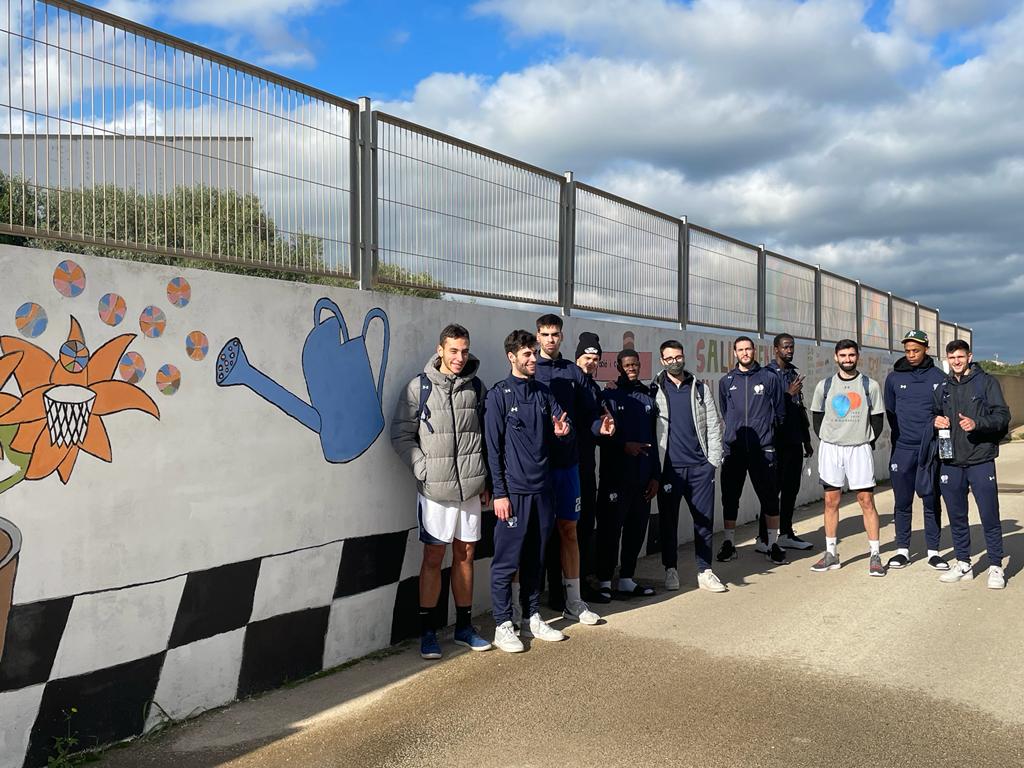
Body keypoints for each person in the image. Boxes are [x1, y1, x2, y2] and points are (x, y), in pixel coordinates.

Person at [390, 324, 492, 659]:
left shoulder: (477, 388)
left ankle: (464, 628)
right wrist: (424, 469)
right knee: (433, 558)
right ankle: (428, 633)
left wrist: (486, 480)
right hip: (434, 491)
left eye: (464, 351)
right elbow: (401, 435)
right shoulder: (418, 388)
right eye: (453, 351)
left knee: (465, 556)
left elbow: (488, 437)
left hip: (471, 490)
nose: (460, 357)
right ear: (440, 350)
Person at [485, 329, 572, 653]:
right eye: (527, 354)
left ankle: (532, 616)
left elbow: (564, 427)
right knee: (507, 563)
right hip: (513, 495)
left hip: (543, 492)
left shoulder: (543, 393)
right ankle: (503, 623)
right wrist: (500, 493)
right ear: (512, 357)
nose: (534, 358)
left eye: (534, 353)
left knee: (535, 559)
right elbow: (492, 450)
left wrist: (564, 432)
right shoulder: (498, 395)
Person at [534, 314, 614, 626]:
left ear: (562, 336)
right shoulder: (530, 368)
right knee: (539, 534)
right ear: (537, 336)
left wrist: (601, 427)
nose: (550, 339)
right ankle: (531, 605)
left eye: (555, 334)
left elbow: (590, 414)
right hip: (537, 467)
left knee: (570, 531)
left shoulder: (571, 371)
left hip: (570, 465)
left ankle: (569, 598)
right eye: (545, 334)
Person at [933, 340, 1011, 589]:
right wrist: (935, 421)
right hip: (951, 461)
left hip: (980, 459)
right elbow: (932, 414)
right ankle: (963, 563)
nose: (956, 361)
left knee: (989, 515)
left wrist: (977, 423)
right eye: (951, 357)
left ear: (969, 356)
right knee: (957, 517)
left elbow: (1002, 416)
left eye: (960, 356)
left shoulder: (986, 382)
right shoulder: (943, 386)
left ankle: (996, 567)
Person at [652, 341, 726, 593]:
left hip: (700, 469)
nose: (674, 361)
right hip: (669, 469)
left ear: (684, 357)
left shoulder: (700, 389)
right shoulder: (655, 390)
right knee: (668, 523)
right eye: (669, 358)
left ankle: (705, 571)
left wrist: (712, 462)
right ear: (662, 360)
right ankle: (670, 569)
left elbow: (714, 426)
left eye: (678, 356)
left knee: (704, 523)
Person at [808, 340, 886, 576]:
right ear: (836, 357)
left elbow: (878, 419)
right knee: (831, 501)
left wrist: (864, 441)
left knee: (866, 501)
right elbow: (817, 415)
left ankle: (875, 555)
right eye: (843, 355)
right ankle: (831, 553)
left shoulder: (869, 385)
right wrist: (828, 439)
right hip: (831, 449)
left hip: (859, 449)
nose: (848, 359)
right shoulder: (825, 385)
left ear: (857, 357)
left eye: (852, 355)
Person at [595, 349, 660, 599]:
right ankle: (603, 580)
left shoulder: (647, 397)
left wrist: (655, 476)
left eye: (635, 364)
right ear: (619, 368)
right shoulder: (608, 395)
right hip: (615, 478)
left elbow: (655, 439)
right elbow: (600, 436)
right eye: (626, 365)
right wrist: (624, 446)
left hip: (643, 479)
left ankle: (626, 579)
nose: (631, 368)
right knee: (610, 531)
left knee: (636, 531)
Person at [717, 336, 787, 565]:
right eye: (740, 349)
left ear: (754, 350)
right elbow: (726, 412)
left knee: (769, 498)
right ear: (734, 352)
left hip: (763, 450)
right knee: (730, 498)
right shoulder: (726, 381)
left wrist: (767, 437)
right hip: (735, 450)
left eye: (748, 349)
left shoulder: (769, 377)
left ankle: (773, 544)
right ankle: (729, 543)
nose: (745, 353)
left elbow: (780, 412)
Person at [883, 329, 949, 570]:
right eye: (907, 351)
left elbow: (945, 417)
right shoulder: (893, 378)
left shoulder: (940, 377)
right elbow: (891, 413)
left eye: (916, 351)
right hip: (902, 449)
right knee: (902, 501)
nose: (911, 355)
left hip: (929, 450)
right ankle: (902, 550)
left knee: (931, 499)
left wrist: (944, 451)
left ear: (926, 350)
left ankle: (933, 551)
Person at [757, 333, 814, 552]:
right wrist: (788, 395)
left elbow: (800, 409)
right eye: (785, 347)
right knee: (773, 491)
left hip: (794, 441)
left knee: (791, 489)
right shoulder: (766, 375)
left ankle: (786, 533)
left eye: (792, 347)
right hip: (775, 442)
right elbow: (766, 409)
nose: (789, 350)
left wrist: (806, 440)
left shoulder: (793, 373)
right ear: (775, 349)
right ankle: (763, 538)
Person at [574, 331, 610, 603]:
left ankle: (583, 584)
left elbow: (595, 424)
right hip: (563, 467)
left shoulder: (594, 389)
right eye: (587, 357)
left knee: (586, 526)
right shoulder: (564, 381)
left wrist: (604, 427)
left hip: (587, 467)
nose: (591, 362)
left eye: (595, 358)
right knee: (564, 530)